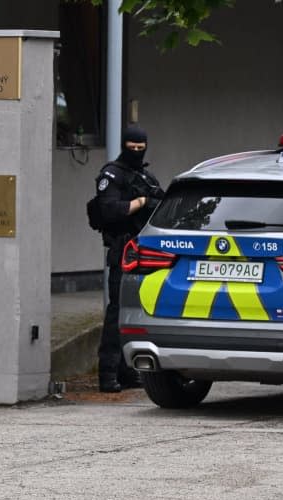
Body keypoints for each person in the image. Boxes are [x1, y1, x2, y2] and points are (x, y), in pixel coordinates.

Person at [95, 125, 164, 393]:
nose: (136, 152)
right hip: (121, 250)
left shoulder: (145, 176)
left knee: (136, 313)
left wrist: (150, 201)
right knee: (116, 313)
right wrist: (140, 202)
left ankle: (127, 370)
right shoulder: (111, 175)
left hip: (144, 253)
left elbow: (161, 202)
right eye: (132, 148)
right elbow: (110, 210)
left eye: (141, 148)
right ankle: (108, 373)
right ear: (124, 146)